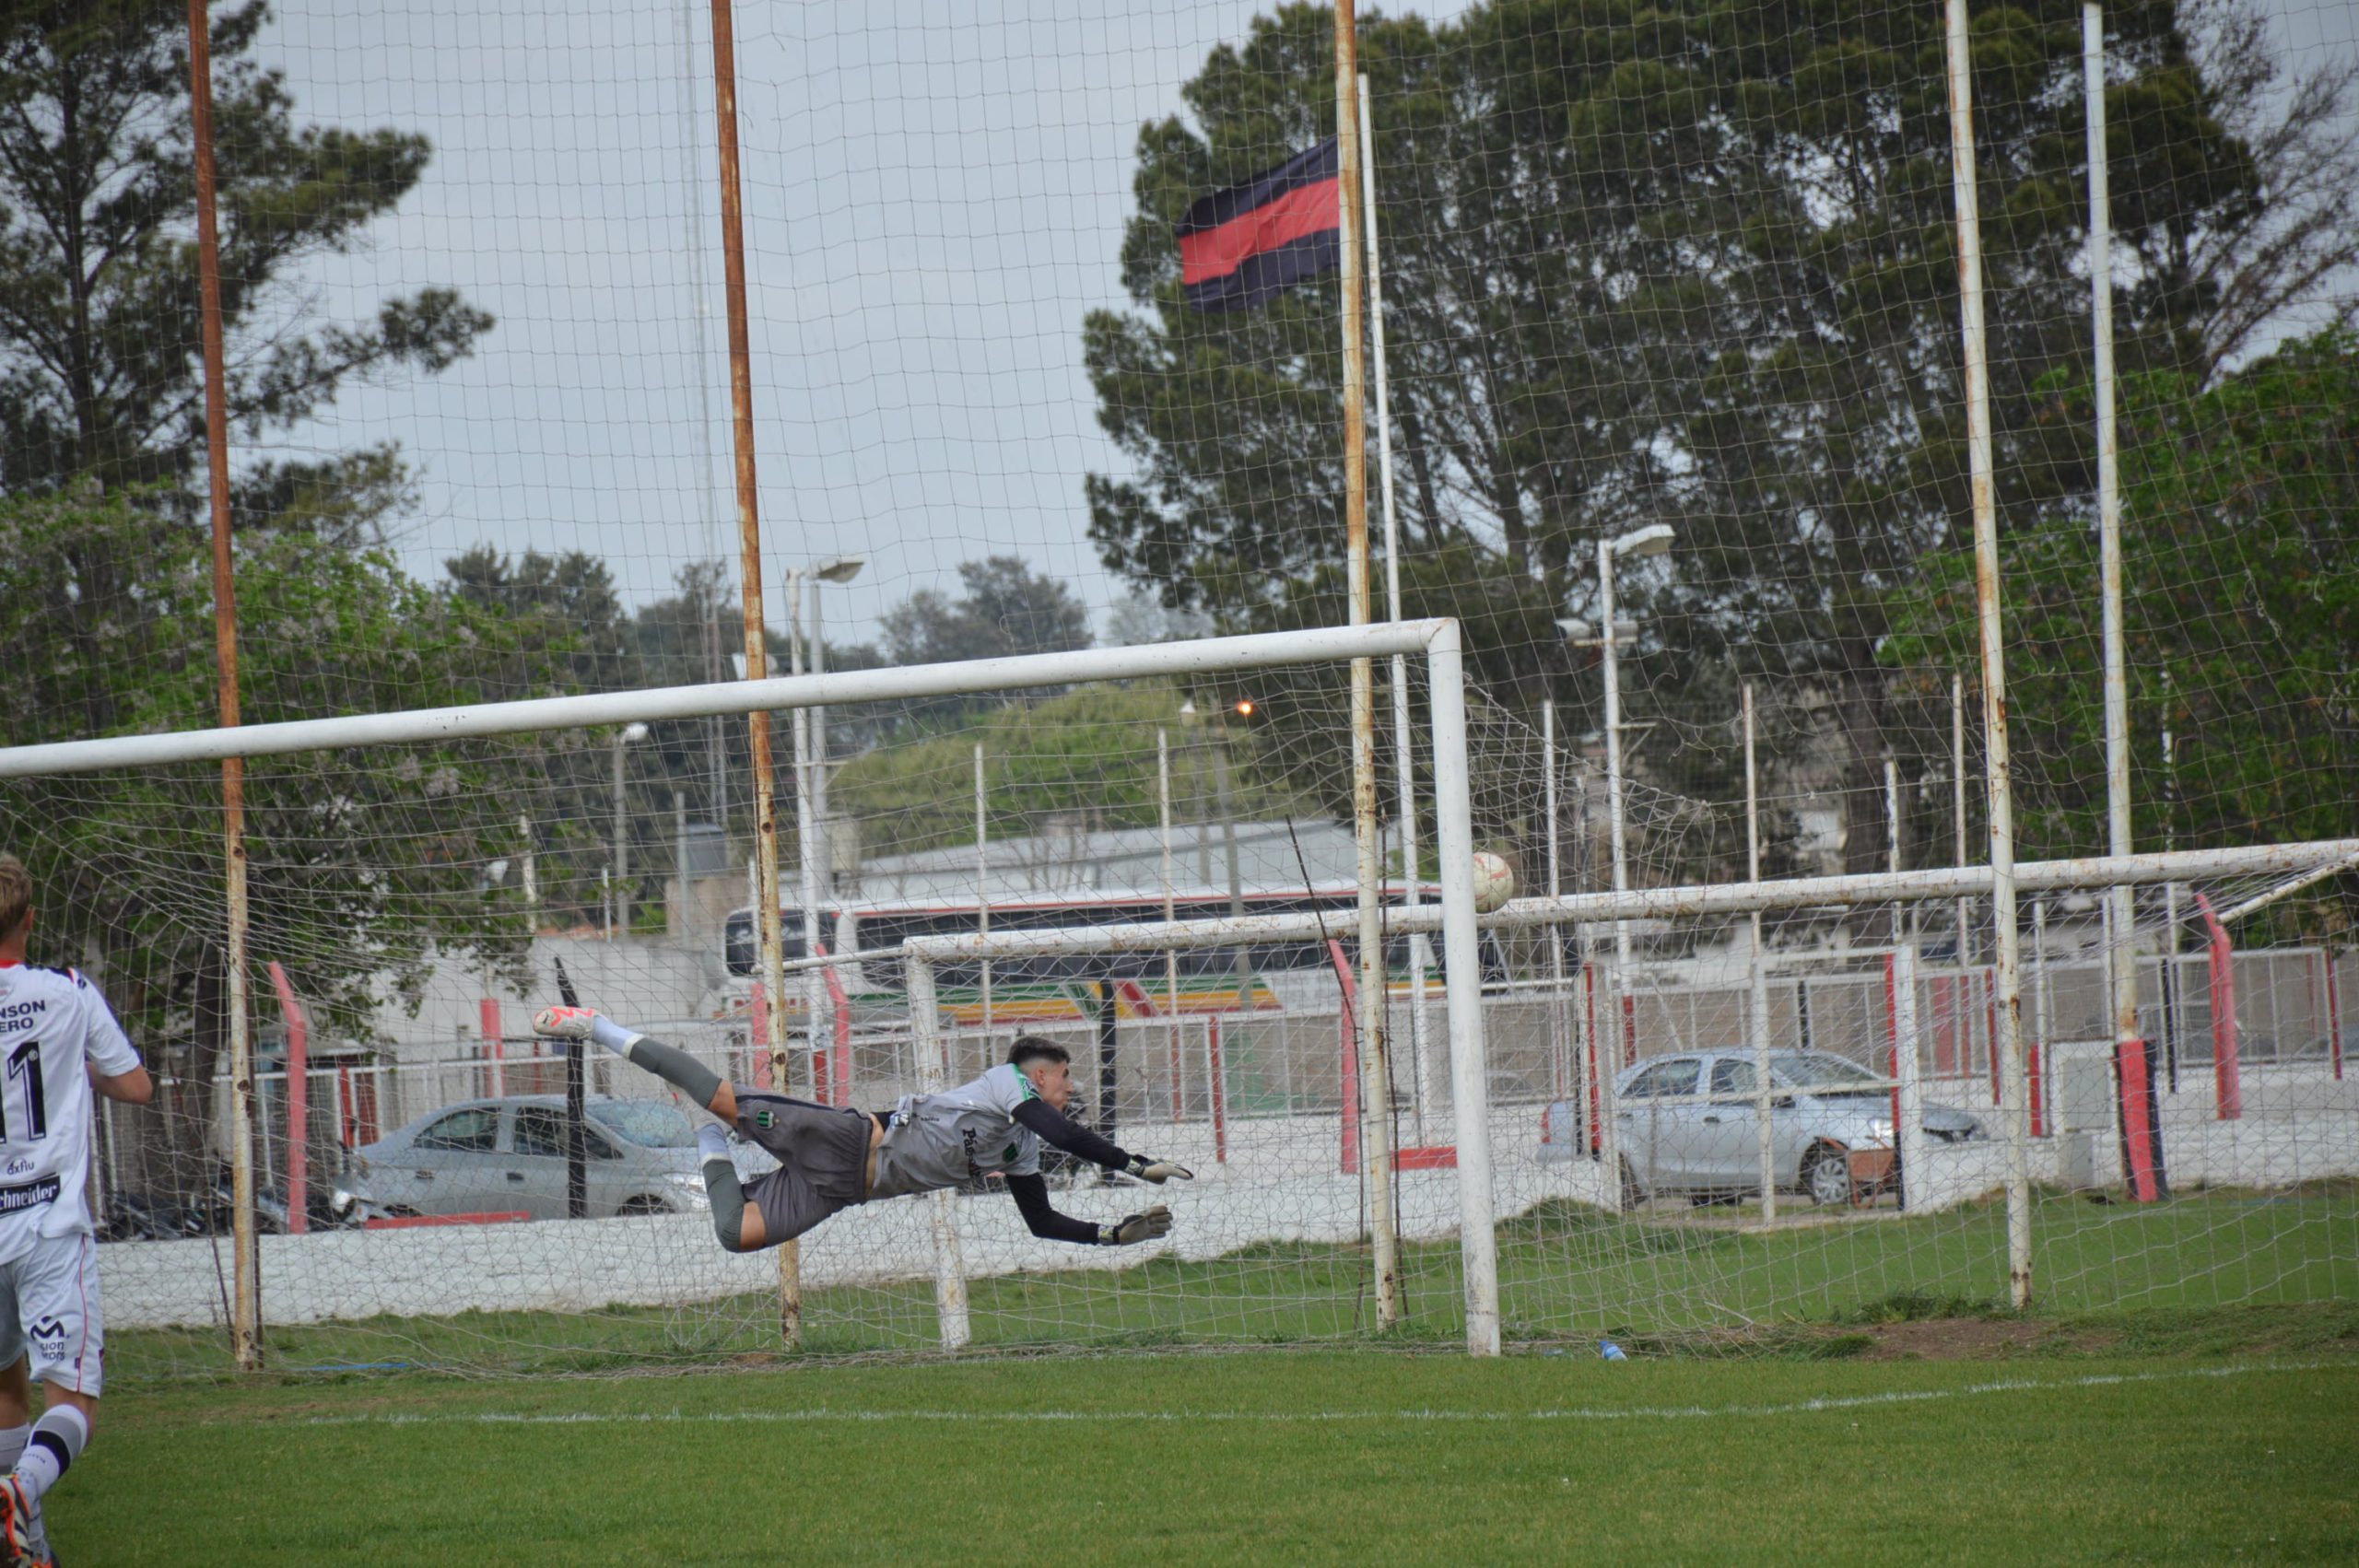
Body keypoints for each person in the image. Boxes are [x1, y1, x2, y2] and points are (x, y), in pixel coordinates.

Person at [532, 1006, 1191, 1253]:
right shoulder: (1004, 1083)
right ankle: (597, 1026)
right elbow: (1065, 1135)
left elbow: (1040, 1222)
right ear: (1038, 1075)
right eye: (1065, 1077)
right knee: (723, 1098)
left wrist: (1110, 1235)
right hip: (846, 1139)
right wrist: (1134, 1163)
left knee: (736, 1234)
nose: (1070, 1088)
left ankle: (709, 1143)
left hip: (844, 1189)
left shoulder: (1019, 1146)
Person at [0, 857, 154, 1568]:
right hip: (50, 1228)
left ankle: (28, 1550)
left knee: (6, 1393)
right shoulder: (66, 990)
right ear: (30, 919)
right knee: (74, 1402)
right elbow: (136, 1086)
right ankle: (20, 1491)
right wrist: (76, 1067)